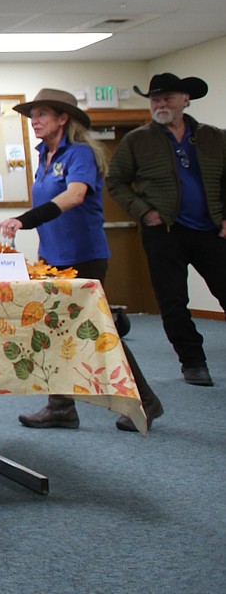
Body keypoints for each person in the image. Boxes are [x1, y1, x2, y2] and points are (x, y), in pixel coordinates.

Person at [0, 89, 164, 432]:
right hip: (52, 257)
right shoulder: (44, 157)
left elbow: (74, 196)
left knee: (102, 334)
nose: (35, 121)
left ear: (63, 118)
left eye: (43, 114)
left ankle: (145, 400)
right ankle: (60, 406)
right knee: (54, 331)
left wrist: (23, 220)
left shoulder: (80, 154)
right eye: (33, 116)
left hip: (84, 257)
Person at [107, 72, 226, 387]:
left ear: (185, 100)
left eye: (167, 98)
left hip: (210, 231)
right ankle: (193, 361)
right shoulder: (137, 140)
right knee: (173, 301)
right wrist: (143, 212)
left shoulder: (215, 137)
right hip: (164, 234)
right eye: (155, 99)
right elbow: (116, 181)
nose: (160, 104)